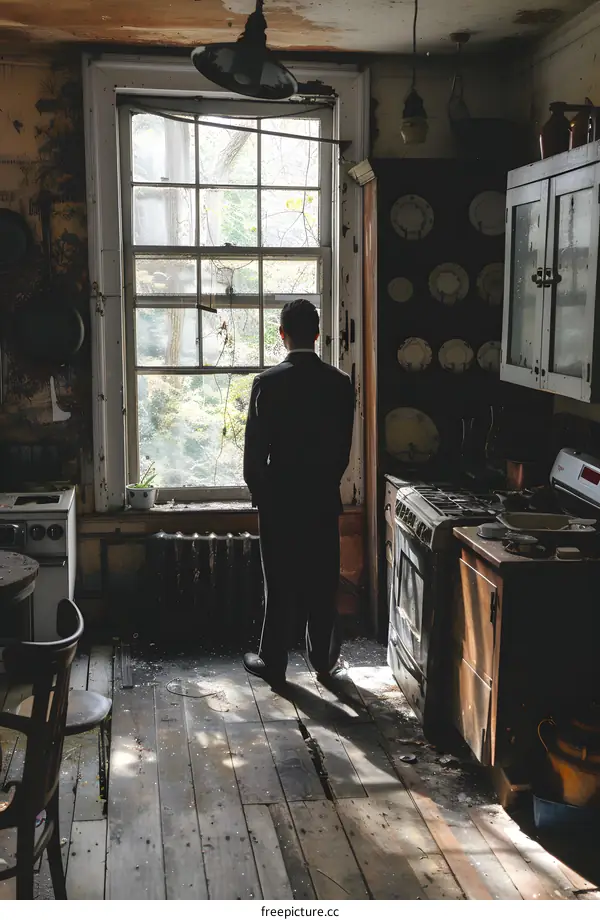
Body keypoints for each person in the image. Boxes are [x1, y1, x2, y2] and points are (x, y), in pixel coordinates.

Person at [243, 299, 355, 688]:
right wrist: (325, 484)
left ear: (282, 334)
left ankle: (273, 662)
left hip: (279, 500)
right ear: (318, 334)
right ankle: (324, 662)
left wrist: (264, 497)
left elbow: (254, 456)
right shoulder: (340, 384)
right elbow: (343, 449)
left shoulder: (267, 383)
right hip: (322, 497)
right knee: (323, 583)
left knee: (279, 583)